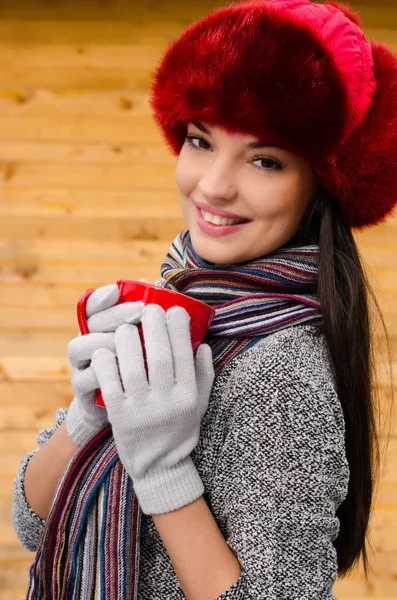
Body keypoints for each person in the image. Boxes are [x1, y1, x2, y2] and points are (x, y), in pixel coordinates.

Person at [12, 0, 397, 598]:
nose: (214, 186)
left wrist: (165, 474)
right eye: (200, 141)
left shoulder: (282, 378)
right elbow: (34, 520)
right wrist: (89, 417)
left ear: (320, 185)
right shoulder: (183, 299)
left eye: (264, 160)